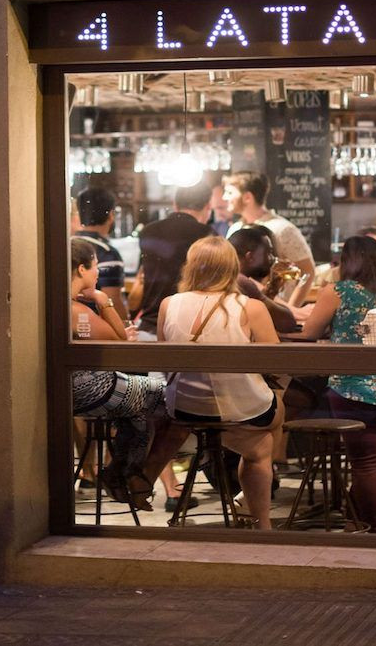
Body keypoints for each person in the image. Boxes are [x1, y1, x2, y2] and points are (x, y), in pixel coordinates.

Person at [140, 236, 283, 529]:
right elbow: (277, 363)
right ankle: (262, 521)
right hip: (240, 409)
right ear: (233, 269)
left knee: (247, 420)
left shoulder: (169, 305)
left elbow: (167, 365)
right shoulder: (251, 307)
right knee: (270, 426)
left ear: (190, 267)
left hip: (184, 408)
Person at [302, 236, 376, 533]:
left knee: (366, 463)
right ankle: (358, 521)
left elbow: (309, 332)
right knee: (372, 460)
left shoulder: (338, 291)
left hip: (354, 388)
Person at [67, 238, 164, 509]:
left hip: (82, 388)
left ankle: (121, 472)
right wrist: (103, 298)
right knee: (168, 397)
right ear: (81, 270)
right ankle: (122, 472)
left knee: (139, 408)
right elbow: (120, 341)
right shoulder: (76, 309)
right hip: (93, 389)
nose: (98, 272)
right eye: (95, 266)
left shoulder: (69, 304)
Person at [130, 182, 215, 339]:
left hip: (150, 325)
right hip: (190, 327)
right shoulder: (208, 235)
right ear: (208, 206)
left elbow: (141, 277)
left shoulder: (148, 231)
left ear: (175, 204)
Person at [224, 171, 316, 306]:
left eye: (230, 193)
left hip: (277, 312)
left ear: (247, 197)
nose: (224, 197)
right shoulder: (235, 228)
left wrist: (291, 309)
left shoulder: (284, 229)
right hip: (241, 308)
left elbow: (308, 271)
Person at [228, 226, 299, 333]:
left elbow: (264, 310)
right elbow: (286, 323)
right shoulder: (241, 282)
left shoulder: (227, 276)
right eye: (268, 252)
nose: (272, 258)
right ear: (250, 256)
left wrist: (272, 288)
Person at [73, 187, 129, 322]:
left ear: (80, 214)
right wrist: (125, 327)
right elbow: (113, 300)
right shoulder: (107, 253)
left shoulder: (67, 245)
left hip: (66, 324)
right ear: (110, 215)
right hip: (96, 326)